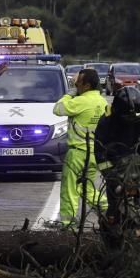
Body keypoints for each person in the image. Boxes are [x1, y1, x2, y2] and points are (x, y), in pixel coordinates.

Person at [94, 86, 140, 226]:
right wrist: (114, 180)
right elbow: (101, 154)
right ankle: (113, 233)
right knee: (114, 207)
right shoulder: (106, 122)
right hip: (117, 167)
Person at [49, 67, 108, 228]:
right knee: (86, 187)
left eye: (78, 83)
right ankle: (105, 206)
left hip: (77, 154)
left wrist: (71, 92)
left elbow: (58, 109)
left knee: (69, 189)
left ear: (87, 85)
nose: (77, 85)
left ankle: (67, 222)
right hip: (95, 154)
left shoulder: (81, 101)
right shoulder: (103, 102)